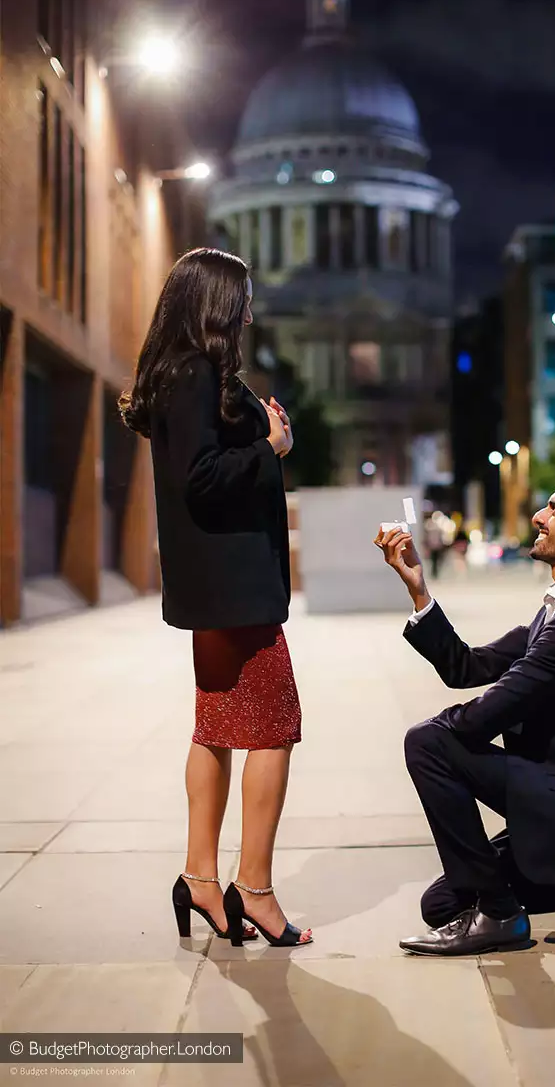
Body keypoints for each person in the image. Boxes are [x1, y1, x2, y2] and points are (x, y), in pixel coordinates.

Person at [119, 248, 311, 949]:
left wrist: (257, 433)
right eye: (245, 300)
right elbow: (202, 477)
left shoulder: (177, 375)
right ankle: (253, 889)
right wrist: (273, 447)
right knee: (274, 726)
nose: (251, 313)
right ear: (217, 305)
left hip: (214, 589)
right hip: (234, 591)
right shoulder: (196, 373)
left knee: (217, 726)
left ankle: (201, 878)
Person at [375, 471, 555, 957]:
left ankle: (501, 915)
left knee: (427, 741)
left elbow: (484, 718)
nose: (539, 517)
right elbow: (467, 666)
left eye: (553, 509)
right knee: (441, 906)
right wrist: (419, 589)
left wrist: (445, 731)